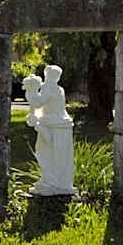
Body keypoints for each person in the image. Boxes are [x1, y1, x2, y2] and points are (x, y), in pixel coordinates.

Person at [24, 65, 77, 196]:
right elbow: (41, 107)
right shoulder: (58, 89)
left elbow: (38, 103)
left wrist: (30, 90)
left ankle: (52, 182)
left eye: (48, 75)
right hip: (58, 124)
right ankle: (54, 181)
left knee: (47, 152)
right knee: (53, 153)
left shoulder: (49, 88)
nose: (46, 78)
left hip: (54, 125)